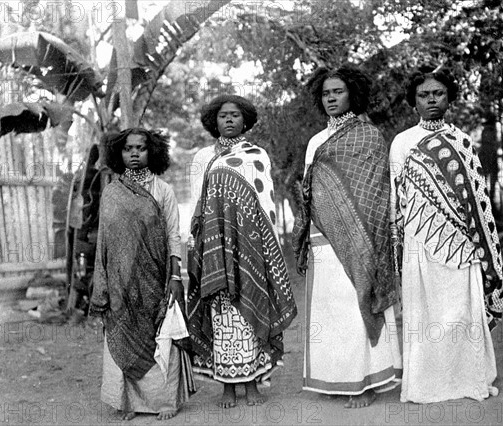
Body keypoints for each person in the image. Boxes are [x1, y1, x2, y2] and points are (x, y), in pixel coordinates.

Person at [389, 65, 503, 403]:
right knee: (424, 315)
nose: (432, 100)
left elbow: (477, 200)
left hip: (462, 244)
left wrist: (475, 245)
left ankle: (467, 380)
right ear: (414, 102)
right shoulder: (402, 142)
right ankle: (425, 385)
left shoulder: (462, 141)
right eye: (424, 95)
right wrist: (401, 242)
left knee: (460, 314)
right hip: (418, 241)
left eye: (438, 93)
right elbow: (398, 197)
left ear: (449, 98)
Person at [292, 65, 402, 408]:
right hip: (321, 237)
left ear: (352, 94)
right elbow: (310, 190)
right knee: (330, 312)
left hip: (361, 238)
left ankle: (364, 384)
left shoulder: (369, 136)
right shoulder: (315, 142)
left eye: (338, 92)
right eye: (326, 93)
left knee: (356, 308)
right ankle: (337, 378)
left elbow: (375, 193)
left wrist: (367, 235)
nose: (331, 98)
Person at [187, 94, 297, 408]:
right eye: (223, 115)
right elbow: (199, 204)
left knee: (249, 310)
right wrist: (199, 244)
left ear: (245, 120)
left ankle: (251, 386)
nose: (230, 120)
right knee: (221, 314)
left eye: (236, 115)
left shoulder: (257, 155)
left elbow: (266, 205)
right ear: (214, 121)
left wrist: (264, 247)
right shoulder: (203, 157)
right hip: (215, 247)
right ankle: (226, 387)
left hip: (250, 247)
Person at [90, 128, 195, 421]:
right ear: (118, 154)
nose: (134, 153)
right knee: (123, 334)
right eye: (127, 149)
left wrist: (175, 277)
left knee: (161, 335)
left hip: (156, 277)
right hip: (121, 281)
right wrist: (104, 285)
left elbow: (174, 235)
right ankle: (129, 402)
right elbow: (104, 241)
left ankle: (165, 401)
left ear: (153, 152)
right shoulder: (111, 192)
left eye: (140, 148)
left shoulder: (163, 190)